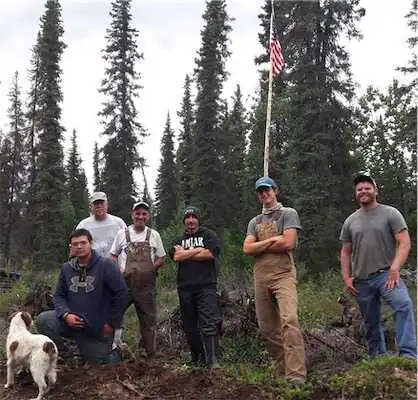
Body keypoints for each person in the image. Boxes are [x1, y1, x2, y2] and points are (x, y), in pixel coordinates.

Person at [339, 172, 417, 359]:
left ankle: (408, 355)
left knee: (403, 305)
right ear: (355, 194)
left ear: (376, 191)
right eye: (359, 189)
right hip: (361, 281)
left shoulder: (390, 213)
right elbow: (345, 251)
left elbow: (404, 242)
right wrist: (346, 277)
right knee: (371, 322)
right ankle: (378, 359)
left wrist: (395, 267)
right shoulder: (350, 221)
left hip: (386, 275)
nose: (363, 191)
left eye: (367, 188)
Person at [243, 177, 306, 385]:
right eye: (260, 191)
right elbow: (247, 249)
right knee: (268, 328)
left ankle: (296, 375)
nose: (264, 194)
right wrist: (272, 240)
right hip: (261, 277)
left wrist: (261, 244)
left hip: (283, 275)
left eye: (267, 190)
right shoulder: (254, 222)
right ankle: (283, 371)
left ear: (275, 191)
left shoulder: (288, 214)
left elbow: (288, 243)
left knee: (290, 320)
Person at [36, 229, 128, 364]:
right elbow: (59, 295)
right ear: (71, 247)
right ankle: (63, 353)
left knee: (102, 362)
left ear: (91, 244)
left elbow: (121, 294)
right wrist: (66, 315)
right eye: (75, 244)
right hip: (72, 321)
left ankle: (117, 351)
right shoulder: (66, 269)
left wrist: (111, 323)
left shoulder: (106, 265)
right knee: (43, 320)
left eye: (83, 243)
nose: (79, 247)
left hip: (96, 326)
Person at [110, 201, 166, 358]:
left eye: (144, 213)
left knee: (148, 323)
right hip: (124, 285)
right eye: (137, 213)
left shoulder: (154, 235)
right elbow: (112, 256)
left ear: (148, 216)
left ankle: (150, 356)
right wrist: (119, 270)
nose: (140, 216)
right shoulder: (122, 234)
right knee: (114, 315)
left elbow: (161, 259)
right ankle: (110, 352)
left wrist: (150, 270)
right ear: (132, 215)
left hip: (146, 288)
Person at [169, 206, 222, 369]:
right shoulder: (178, 239)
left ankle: (212, 360)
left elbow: (211, 254)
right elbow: (176, 256)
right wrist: (199, 249)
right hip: (185, 287)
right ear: (184, 221)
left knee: (208, 322)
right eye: (188, 217)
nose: (191, 220)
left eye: (194, 217)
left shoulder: (209, 235)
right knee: (189, 325)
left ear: (198, 219)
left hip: (206, 286)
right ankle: (197, 358)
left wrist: (187, 253)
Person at [76, 192, 126, 258]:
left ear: (107, 205)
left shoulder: (119, 223)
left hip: (115, 265)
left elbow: (126, 245)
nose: (99, 206)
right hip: (92, 266)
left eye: (102, 203)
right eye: (96, 204)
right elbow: (76, 246)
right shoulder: (83, 225)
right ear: (91, 206)